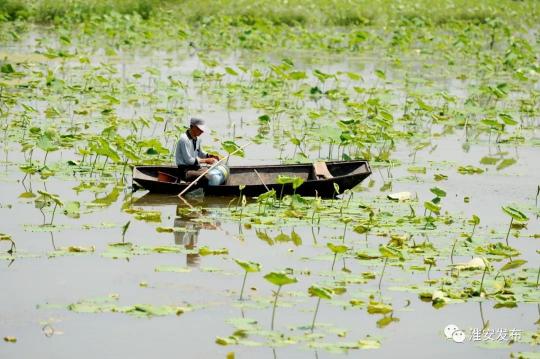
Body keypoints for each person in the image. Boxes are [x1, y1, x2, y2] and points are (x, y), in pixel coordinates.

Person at [175, 118, 220, 184]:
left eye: (202, 129)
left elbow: (200, 153)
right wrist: (206, 161)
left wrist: (211, 156)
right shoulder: (184, 139)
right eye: (199, 129)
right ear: (192, 127)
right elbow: (189, 160)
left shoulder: (197, 139)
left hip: (196, 168)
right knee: (207, 177)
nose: (202, 131)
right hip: (185, 171)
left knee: (214, 173)